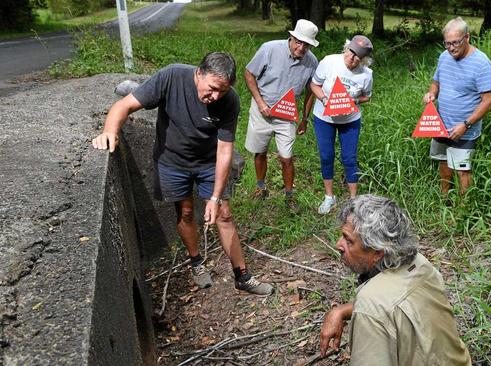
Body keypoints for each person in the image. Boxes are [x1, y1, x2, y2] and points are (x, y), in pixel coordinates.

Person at [91, 52, 273, 295]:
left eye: (222, 91)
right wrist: (110, 131)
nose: (215, 96)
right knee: (185, 211)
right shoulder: (172, 76)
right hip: (172, 161)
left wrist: (216, 197)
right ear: (199, 73)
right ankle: (197, 263)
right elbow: (125, 105)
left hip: (209, 162)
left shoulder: (230, 100)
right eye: (212, 88)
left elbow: (225, 150)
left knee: (224, 214)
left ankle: (242, 276)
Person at [319, 194, 472, 365]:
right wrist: (339, 311)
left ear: (377, 252)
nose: (338, 245)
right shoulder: (419, 264)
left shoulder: (370, 303)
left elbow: (377, 306)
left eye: (348, 241)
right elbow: (390, 303)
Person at [244, 19, 319, 211]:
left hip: (286, 114)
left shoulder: (312, 62)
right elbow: (249, 73)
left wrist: (304, 119)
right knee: (260, 151)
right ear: (291, 37)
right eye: (298, 42)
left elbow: (311, 91)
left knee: (287, 157)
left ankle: (289, 195)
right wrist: (260, 103)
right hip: (262, 109)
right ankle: (261, 187)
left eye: (306, 45)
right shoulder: (269, 49)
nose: (301, 48)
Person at [423, 17, 491, 195]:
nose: (451, 48)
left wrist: (466, 124)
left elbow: (489, 102)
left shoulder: (482, 64)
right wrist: (432, 93)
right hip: (441, 124)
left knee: (462, 169)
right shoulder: (444, 57)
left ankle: (462, 211)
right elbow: (436, 83)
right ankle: (444, 197)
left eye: (455, 43)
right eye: (447, 43)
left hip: (465, 129)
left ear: (467, 38)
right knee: (442, 161)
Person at [309, 35, 374, 214]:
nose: (351, 60)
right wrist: (324, 99)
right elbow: (314, 85)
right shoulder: (329, 62)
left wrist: (352, 100)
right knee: (326, 156)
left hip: (350, 119)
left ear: (364, 60)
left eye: (357, 58)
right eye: (349, 53)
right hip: (324, 118)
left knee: (349, 158)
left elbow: (367, 96)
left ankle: (354, 202)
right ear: (346, 48)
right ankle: (329, 197)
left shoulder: (366, 74)